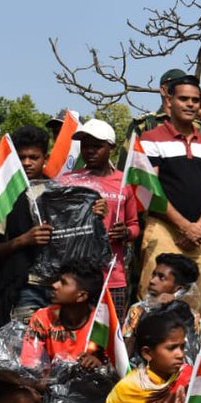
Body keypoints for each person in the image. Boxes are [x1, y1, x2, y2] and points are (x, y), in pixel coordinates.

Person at [139, 74, 201, 307]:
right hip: (163, 229)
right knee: (153, 300)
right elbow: (150, 190)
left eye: (195, 100)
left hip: (200, 233)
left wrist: (198, 227)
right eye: (183, 98)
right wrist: (184, 225)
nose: (190, 104)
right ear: (169, 101)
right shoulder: (150, 138)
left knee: (192, 303)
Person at [57, 119, 140, 319]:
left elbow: (134, 225)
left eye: (97, 146)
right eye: (85, 146)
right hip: (76, 278)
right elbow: (58, 225)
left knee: (111, 338)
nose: (90, 151)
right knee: (74, 334)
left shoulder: (125, 181)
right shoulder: (67, 180)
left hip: (112, 276)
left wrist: (126, 233)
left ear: (110, 147)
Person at [0, 125, 57, 322]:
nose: (27, 163)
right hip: (24, 286)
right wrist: (23, 240)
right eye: (21, 158)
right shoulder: (4, 196)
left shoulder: (60, 193)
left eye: (34, 157)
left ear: (46, 158)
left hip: (60, 287)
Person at [20, 265, 104, 373]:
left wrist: (96, 362)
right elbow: (29, 362)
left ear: (82, 296)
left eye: (63, 283)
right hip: (49, 382)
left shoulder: (100, 323)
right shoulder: (42, 317)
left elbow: (113, 364)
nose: (54, 285)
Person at [123, 253, 201, 364]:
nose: (152, 281)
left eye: (161, 277)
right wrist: (147, 313)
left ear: (177, 288)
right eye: (153, 275)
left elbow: (192, 356)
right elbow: (125, 353)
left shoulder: (192, 317)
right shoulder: (138, 309)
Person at [120, 68, 188, 163]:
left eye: (185, 86)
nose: (181, 90)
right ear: (163, 90)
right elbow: (125, 166)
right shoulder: (143, 125)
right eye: (175, 86)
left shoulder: (196, 126)